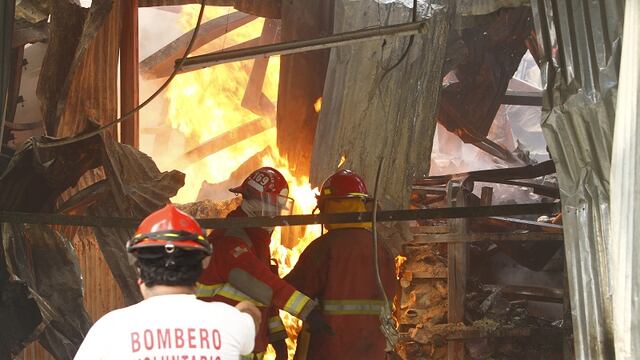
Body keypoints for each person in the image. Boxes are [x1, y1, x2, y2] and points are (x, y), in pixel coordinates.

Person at [74, 204, 260, 360]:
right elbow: (252, 319)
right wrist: (243, 310)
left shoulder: (109, 329)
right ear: (202, 265)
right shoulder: (230, 321)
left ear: (139, 268)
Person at [196, 167, 330, 360]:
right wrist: (307, 310)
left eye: (280, 206)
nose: (276, 212)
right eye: (272, 204)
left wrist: (278, 340)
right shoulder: (229, 241)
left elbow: (264, 302)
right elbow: (265, 286)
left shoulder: (255, 242)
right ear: (251, 201)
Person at [284, 169, 397, 360]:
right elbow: (390, 293)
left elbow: (291, 292)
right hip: (371, 351)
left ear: (329, 206)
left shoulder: (322, 248)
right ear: (361, 205)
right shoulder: (381, 247)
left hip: (329, 350)